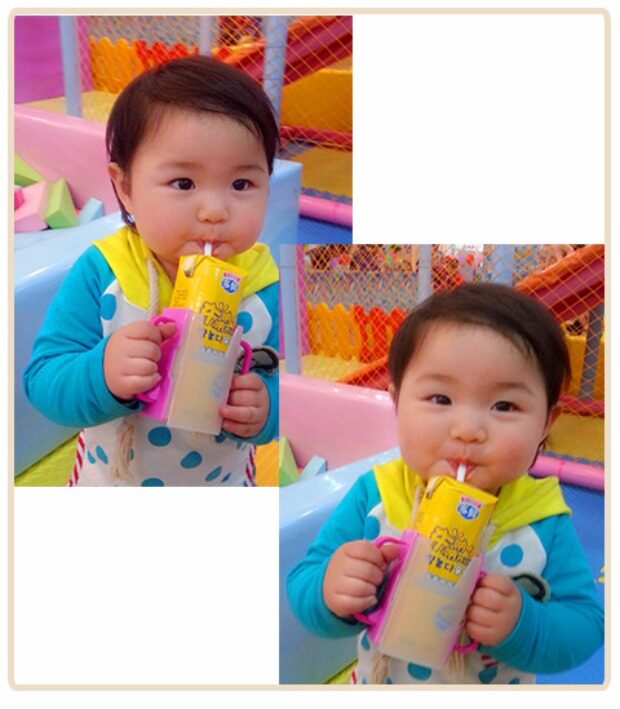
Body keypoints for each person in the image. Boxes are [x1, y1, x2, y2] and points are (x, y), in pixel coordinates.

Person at [287, 282, 603, 684]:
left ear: (546, 423)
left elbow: (585, 626)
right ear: (397, 402)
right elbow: (303, 584)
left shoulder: (542, 520)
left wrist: (523, 625)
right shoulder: (377, 495)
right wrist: (331, 590)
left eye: (504, 406)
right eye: (440, 399)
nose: (467, 429)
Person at [23, 56, 280, 487]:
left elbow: (281, 383)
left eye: (242, 184)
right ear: (125, 188)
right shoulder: (105, 272)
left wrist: (267, 409)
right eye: (183, 183)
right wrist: (102, 373)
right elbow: (43, 380)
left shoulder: (265, 284)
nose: (215, 210)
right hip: (112, 483)